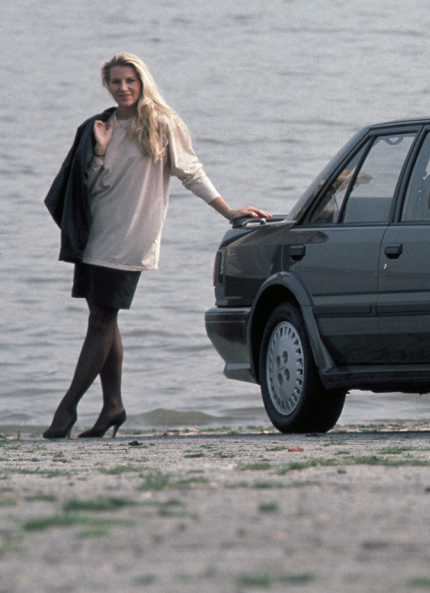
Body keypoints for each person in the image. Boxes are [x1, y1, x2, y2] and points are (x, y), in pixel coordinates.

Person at [42, 53, 270, 439]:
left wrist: (229, 212)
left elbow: (191, 173)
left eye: (130, 80)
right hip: (94, 234)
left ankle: (66, 410)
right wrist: (98, 151)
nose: (123, 88)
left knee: (101, 320)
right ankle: (113, 407)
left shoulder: (162, 125)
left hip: (131, 236)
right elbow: (91, 189)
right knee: (102, 318)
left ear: (142, 81)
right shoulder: (100, 127)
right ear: (107, 85)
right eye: (116, 82)